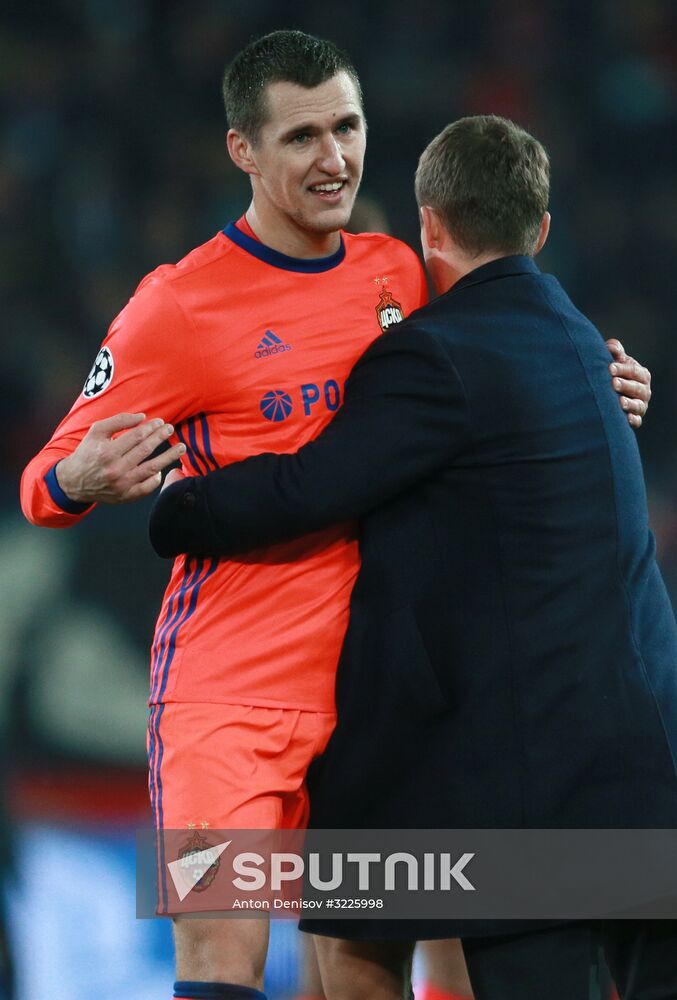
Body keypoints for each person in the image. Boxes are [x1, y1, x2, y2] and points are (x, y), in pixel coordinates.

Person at [20, 29, 648, 998]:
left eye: (346, 128)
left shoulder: (397, 271)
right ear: (242, 150)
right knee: (220, 962)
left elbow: (503, 344)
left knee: (369, 970)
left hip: (376, 693)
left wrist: (594, 381)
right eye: (301, 137)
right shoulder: (176, 306)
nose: (334, 159)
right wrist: (80, 476)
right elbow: (41, 485)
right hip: (230, 695)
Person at [149, 115, 677, 1000]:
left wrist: (180, 504)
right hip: (651, 771)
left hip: (533, 789)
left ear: (427, 227)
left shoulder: (431, 353)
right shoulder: (584, 341)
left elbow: (311, 485)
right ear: (541, 228)